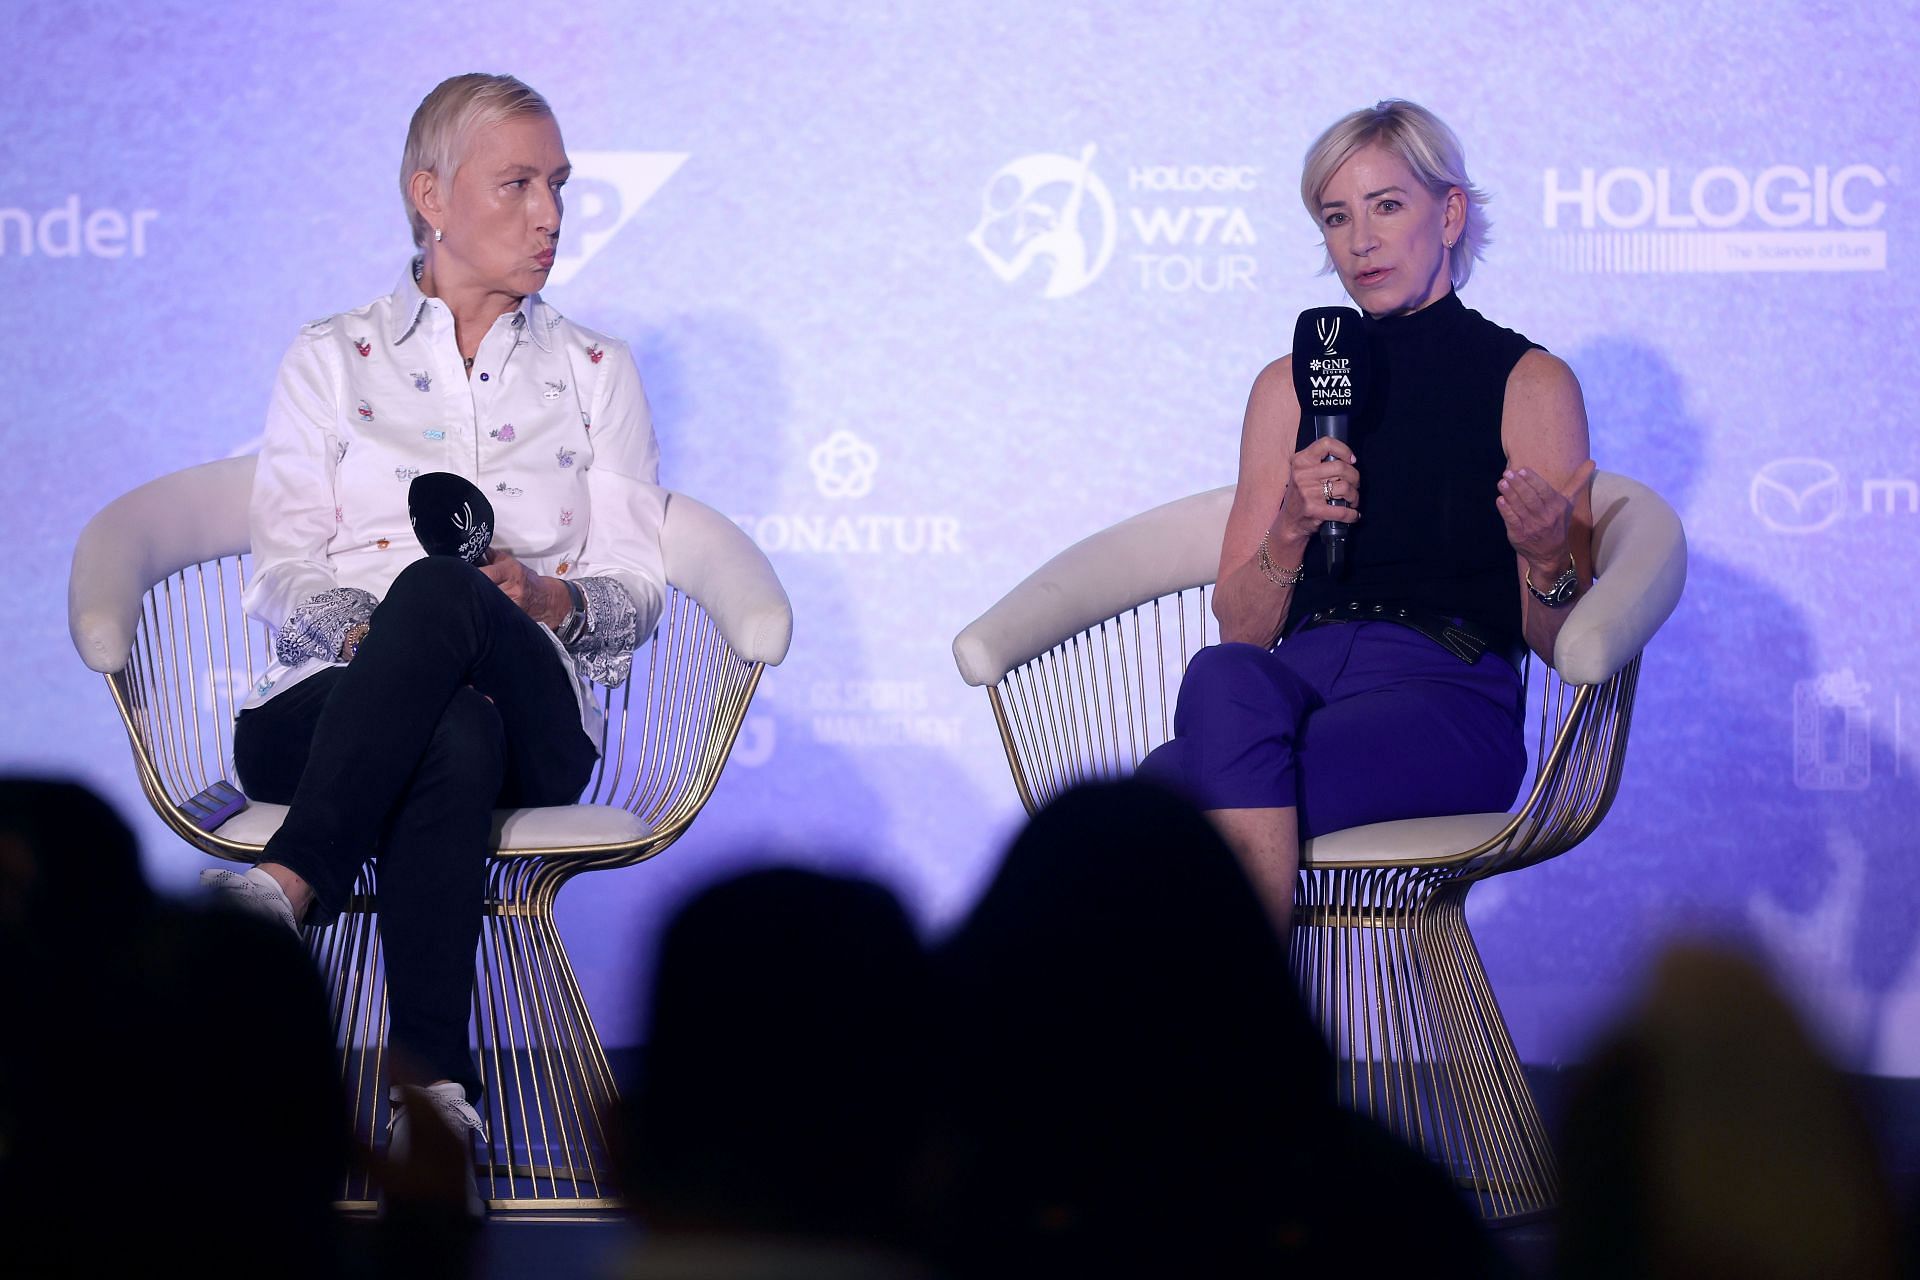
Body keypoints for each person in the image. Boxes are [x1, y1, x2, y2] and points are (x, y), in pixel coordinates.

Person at [201, 72, 667, 1203]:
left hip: (537, 715)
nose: (550, 213)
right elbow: (282, 569)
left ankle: (292, 875)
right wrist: (372, 636)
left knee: (455, 599)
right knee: (440, 713)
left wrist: (550, 601)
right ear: (431, 195)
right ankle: (436, 1096)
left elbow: (643, 584)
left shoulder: (597, 373)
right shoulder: (332, 355)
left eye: (558, 185)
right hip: (332, 700)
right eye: (517, 184)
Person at [1139, 99, 1596, 933]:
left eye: (1387, 206)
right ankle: (1238, 1038)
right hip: (1300, 679)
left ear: (1450, 213)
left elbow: (1558, 639)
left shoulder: (1528, 381)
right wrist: (1289, 526)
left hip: (1445, 696)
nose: (1361, 241)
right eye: (1336, 218)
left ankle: (1226, 1040)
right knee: (1219, 674)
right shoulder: (1289, 385)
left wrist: (1544, 554)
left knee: (1151, 807)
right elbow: (1242, 630)